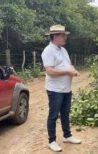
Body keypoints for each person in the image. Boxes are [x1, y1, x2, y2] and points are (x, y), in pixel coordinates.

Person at [41, 24, 82, 152]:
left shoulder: (63, 50)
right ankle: (52, 141)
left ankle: (67, 135)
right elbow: (50, 71)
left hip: (66, 89)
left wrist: (73, 70)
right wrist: (68, 72)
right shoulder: (48, 51)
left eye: (65, 35)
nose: (65, 38)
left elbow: (68, 65)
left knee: (65, 113)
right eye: (63, 35)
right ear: (55, 37)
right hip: (55, 90)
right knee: (53, 115)